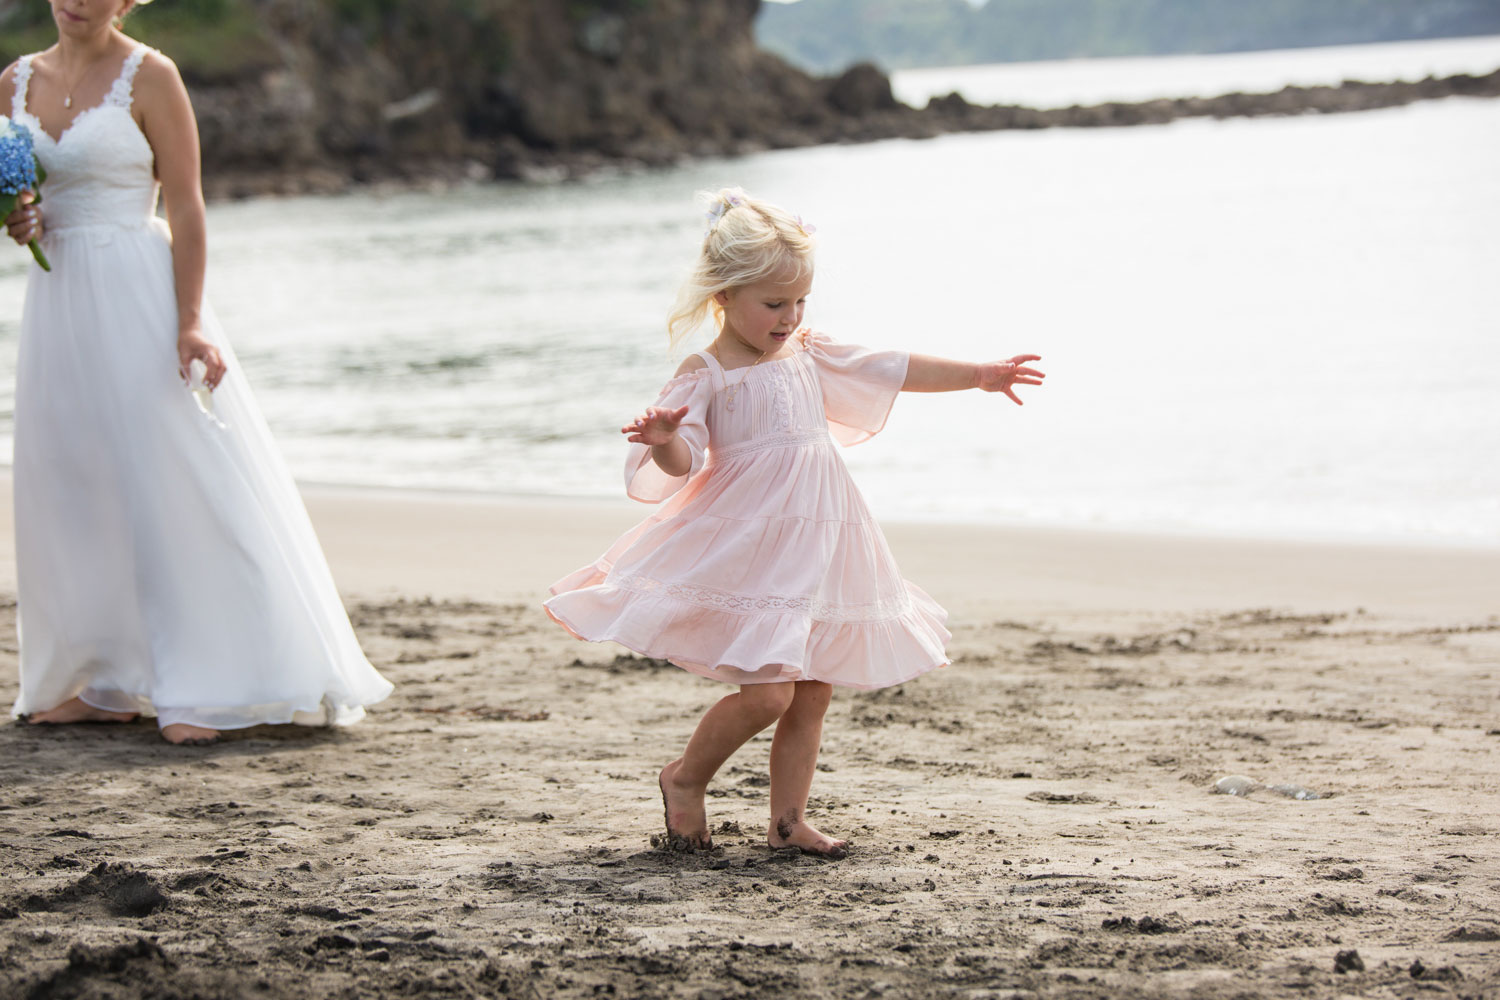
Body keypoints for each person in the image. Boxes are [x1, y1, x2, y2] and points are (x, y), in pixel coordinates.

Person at [545, 188, 1045, 857]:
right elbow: (682, 461)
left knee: (812, 692)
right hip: (754, 547)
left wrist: (979, 374)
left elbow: (894, 367)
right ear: (723, 296)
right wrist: (664, 437)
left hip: (823, 538)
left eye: (800, 301)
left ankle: (788, 822)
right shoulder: (709, 372)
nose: (790, 317)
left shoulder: (809, 351)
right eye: (774, 304)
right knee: (769, 694)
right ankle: (685, 778)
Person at [1, 0, 392, 744]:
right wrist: (20, 222)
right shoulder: (15, 81)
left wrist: (188, 320)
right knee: (74, 485)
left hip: (140, 294)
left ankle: (198, 682)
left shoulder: (152, 76)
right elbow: (25, 205)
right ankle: (108, 679)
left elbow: (186, 205)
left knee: (165, 481)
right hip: (57, 304)